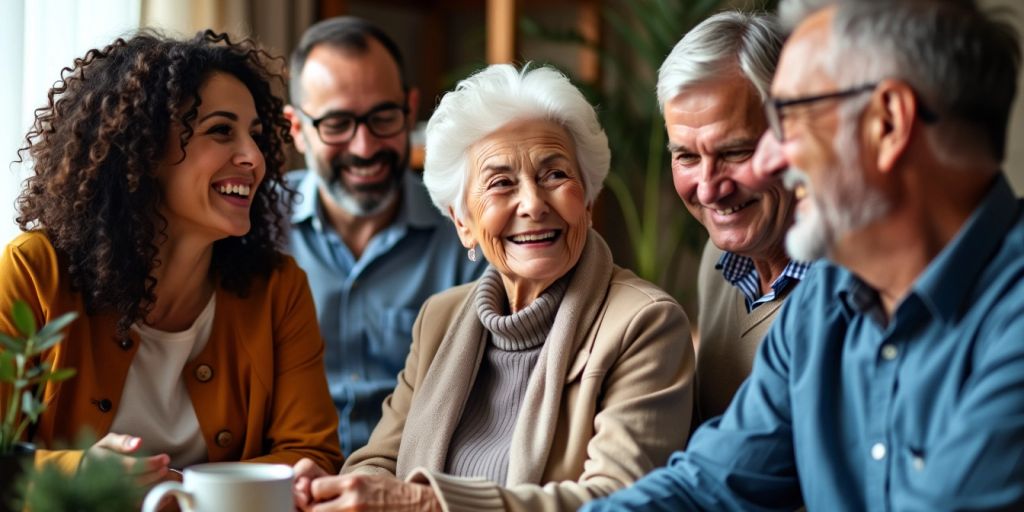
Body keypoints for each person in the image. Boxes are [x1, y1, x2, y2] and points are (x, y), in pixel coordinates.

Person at [584, 0, 1024, 509]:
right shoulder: (824, 299)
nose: (770, 159)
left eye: (790, 118)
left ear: (888, 123)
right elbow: (707, 484)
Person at [290, 63, 695, 512]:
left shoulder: (644, 323)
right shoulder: (439, 318)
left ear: (588, 197)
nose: (533, 204)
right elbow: (379, 461)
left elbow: (618, 500)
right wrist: (339, 492)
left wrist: (424, 504)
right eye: (501, 183)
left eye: (555, 175)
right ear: (463, 223)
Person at [0, 30, 343, 480]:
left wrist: (182, 493)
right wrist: (80, 474)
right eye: (221, 131)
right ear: (142, 151)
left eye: (256, 136)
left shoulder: (279, 288)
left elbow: (311, 458)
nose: (254, 158)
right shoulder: (34, 271)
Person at [284, 16, 487, 456]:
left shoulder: (468, 233)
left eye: (383, 117)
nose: (364, 147)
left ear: (410, 110)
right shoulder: (252, 230)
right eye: (336, 124)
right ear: (297, 129)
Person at [657, 11, 807, 427]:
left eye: (735, 152)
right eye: (685, 156)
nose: (708, 189)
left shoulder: (851, 287)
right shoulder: (719, 259)